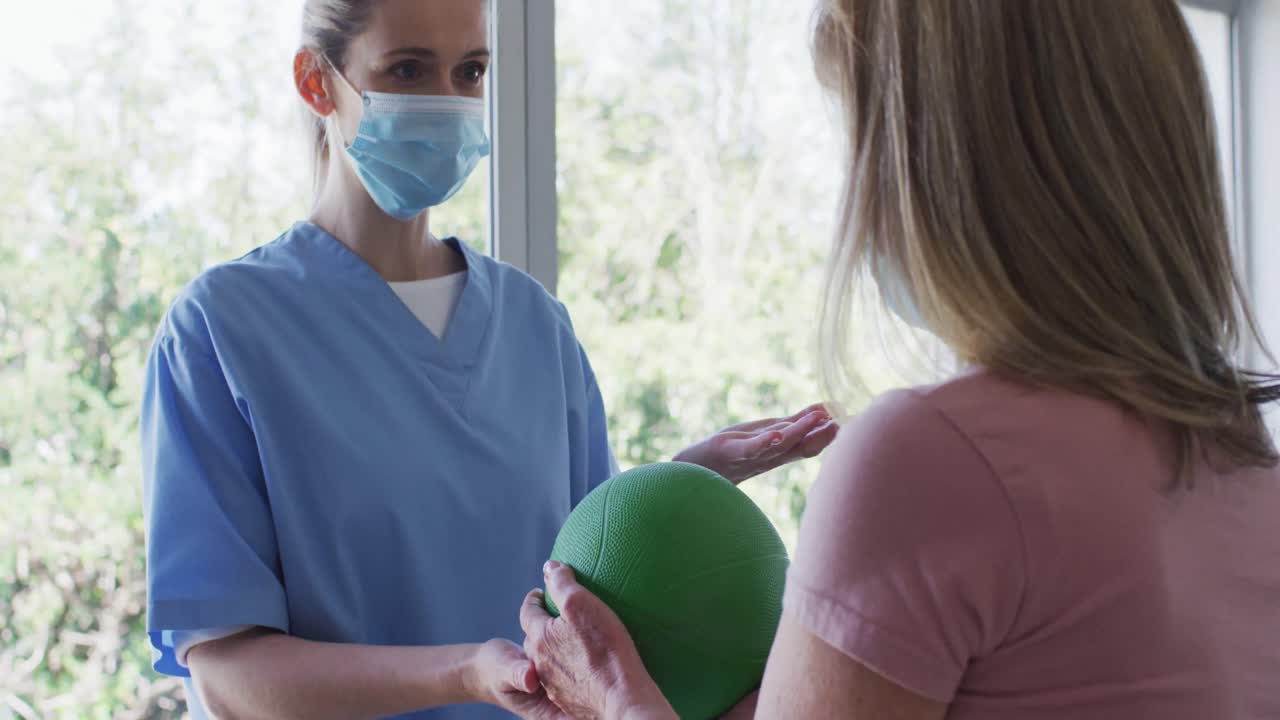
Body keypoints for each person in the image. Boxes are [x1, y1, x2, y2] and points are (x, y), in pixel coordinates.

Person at [518, 0, 1280, 718]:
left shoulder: (933, 458)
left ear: (944, 173)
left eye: (858, 146)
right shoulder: (1240, 452)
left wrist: (614, 696)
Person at [139, 1, 838, 719]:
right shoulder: (221, 333)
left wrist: (677, 489)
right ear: (317, 82)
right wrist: (465, 673)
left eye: (469, 71)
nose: (447, 99)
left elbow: (582, 589)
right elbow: (228, 676)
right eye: (407, 69)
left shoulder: (535, 325)